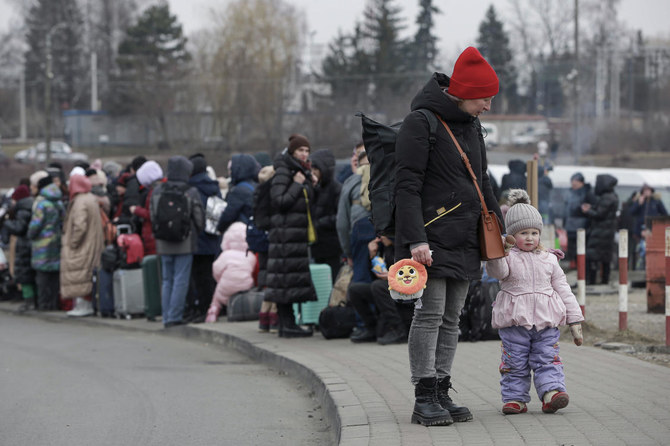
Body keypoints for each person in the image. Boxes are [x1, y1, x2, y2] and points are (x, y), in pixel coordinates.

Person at [394, 47, 502, 426]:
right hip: (431, 239)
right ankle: (423, 395)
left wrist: (499, 237)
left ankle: (441, 389)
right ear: (465, 92)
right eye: (485, 97)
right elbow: (406, 186)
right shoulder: (421, 122)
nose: (489, 105)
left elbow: (483, 181)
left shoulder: (472, 127)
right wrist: (415, 240)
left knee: (452, 318)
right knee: (430, 314)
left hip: (467, 236)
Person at [487, 189, 584, 415]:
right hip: (515, 322)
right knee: (514, 362)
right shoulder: (507, 256)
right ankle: (515, 399)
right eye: (523, 233)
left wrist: (575, 320)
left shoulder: (549, 258)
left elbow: (563, 289)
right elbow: (496, 272)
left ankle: (552, 393)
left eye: (534, 232)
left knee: (547, 358)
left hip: (547, 321)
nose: (530, 238)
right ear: (511, 235)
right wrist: (500, 252)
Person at [264, 134, 317, 338]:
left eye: (306, 151)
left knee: (290, 280)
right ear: (293, 152)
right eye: (300, 151)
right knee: (285, 281)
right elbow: (279, 200)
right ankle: (287, 325)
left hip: (294, 235)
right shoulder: (285, 171)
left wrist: (311, 183)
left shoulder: (300, 171)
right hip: (284, 236)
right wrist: (297, 184)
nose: (304, 154)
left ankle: (288, 324)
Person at [150, 156, 205, 328]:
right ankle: (175, 316)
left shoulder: (158, 191)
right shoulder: (191, 191)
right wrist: (197, 231)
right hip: (185, 241)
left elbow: (153, 215)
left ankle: (166, 316)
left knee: (167, 279)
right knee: (181, 279)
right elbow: (199, 217)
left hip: (163, 241)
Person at [348, 236, 413, 345]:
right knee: (355, 289)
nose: (379, 237)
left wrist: (393, 275)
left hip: (407, 290)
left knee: (378, 286)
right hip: (389, 288)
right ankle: (371, 328)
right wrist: (373, 255)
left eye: (382, 234)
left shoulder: (404, 248)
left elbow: (413, 275)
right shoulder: (383, 248)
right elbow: (374, 277)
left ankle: (398, 330)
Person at [186, 154, 225, 323]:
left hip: (196, 239)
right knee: (210, 277)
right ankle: (214, 308)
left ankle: (202, 309)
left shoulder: (191, 189)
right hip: (213, 238)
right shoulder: (213, 187)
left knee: (198, 277)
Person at [60, 174, 105, 317]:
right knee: (86, 275)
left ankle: (83, 306)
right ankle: (85, 305)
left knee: (80, 276)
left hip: (82, 245)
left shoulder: (79, 202)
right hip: (92, 243)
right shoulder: (91, 199)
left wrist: (72, 243)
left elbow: (79, 226)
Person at [27, 171, 65, 311]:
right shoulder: (59, 202)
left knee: (42, 276)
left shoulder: (42, 204)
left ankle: (44, 305)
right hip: (56, 242)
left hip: (42, 244)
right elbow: (63, 222)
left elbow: (35, 225)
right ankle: (54, 304)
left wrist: (30, 235)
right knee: (54, 276)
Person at [336, 150, 375, 284]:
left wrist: (348, 253)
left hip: (360, 229)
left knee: (361, 278)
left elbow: (342, 223)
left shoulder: (351, 181)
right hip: (385, 232)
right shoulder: (384, 175)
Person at [206, 222, 257, 323]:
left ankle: (213, 310)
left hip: (225, 288)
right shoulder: (250, 256)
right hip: (245, 286)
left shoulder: (225, 255)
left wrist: (220, 280)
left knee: (217, 295)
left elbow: (216, 270)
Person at [310, 148, 342, 281]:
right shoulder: (312, 188)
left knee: (331, 279)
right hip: (316, 245)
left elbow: (339, 216)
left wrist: (319, 223)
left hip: (331, 246)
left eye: (315, 170)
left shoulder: (336, 189)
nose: (312, 173)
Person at [581, 174, 619, 285]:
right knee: (605, 258)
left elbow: (600, 214)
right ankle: (604, 281)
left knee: (592, 257)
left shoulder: (607, 197)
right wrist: (591, 208)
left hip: (601, 233)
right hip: (605, 232)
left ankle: (591, 281)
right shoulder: (611, 196)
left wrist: (587, 211)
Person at [4, 185, 36, 312]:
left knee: (24, 275)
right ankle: (32, 301)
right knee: (29, 274)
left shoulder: (22, 211)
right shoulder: (30, 207)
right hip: (29, 245)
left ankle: (29, 301)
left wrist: (7, 222)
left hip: (24, 246)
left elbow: (19, 228)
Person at [629, 183, 668, 269]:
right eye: (645, 191)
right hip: (640, 231)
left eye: (648, 190)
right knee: (640, 251)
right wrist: (638, 203)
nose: (647, 192)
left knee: (651, 251)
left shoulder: (656, 201)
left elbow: (665, 214)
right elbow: (631, 212)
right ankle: (639, 269)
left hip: (652, 230)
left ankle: (651, 267)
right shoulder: (639, 201)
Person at [131, 160, 164, 256]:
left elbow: (152, 214)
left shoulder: (153, 192)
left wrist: (136, 210)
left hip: (152, 236)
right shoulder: (162, 187)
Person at [563, 172, 596, 266]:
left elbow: (593, 208)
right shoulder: (569, 193)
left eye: (576, 181)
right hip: (570, 226)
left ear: (581, 182)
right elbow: (566, 208)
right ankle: (573, 262)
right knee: (572, 246)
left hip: (584, 226)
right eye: (572, 182)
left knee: (581, 247)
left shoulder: (588, 194)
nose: (573, 184)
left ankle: (581, 266)